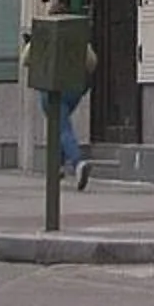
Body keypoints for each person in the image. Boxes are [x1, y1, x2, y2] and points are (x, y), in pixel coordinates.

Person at [38, 39, 96, 193]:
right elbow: (91, 61)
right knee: (61, 125)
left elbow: (26, 59)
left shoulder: (45, 34)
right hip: (75, 88)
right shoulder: (78, 35)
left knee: (62, 127)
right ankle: (59, 165)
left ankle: (78, 163)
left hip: (51, 88)